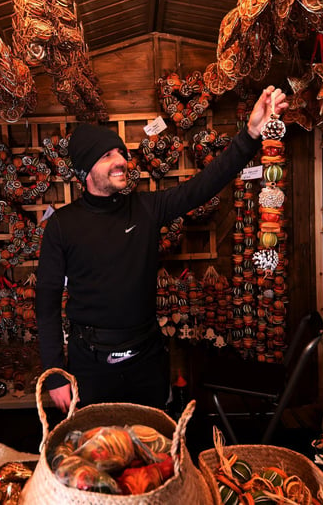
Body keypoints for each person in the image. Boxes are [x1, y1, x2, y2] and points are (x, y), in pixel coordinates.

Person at [36, 86, 288, 412]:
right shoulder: (62, 225)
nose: (121, 161)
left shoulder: (145, 208)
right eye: (107, 155)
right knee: (98, 448)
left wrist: (251, 135)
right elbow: (46, 303)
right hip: (91, 362)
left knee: (155, 446)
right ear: (85, 171)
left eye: (121, 153)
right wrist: (55, 375)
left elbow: (204, 184)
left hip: (147, 357)